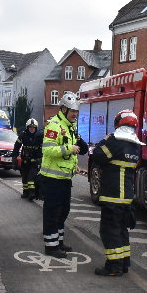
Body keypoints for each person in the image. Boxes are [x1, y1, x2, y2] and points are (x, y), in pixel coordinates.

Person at [91, 110, 144, 276]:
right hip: (126, 198)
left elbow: (98, 156)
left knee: (109, 231)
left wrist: (103, 140)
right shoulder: (135, 146)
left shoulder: (114, 142)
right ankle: (124, 263)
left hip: (112, 196)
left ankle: (113, 266)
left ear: (119, 124)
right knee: (121, 231)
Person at [39, 92, 88, 258]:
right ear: (63, 109)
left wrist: (75, 166)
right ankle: (50, 246)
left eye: (76, 111)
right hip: (52, 179)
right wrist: (69, 149)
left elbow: (74, 151)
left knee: (63, 211)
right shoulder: (54, 125)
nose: (75, 114)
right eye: (72, 110)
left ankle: (58, 242)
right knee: (52, 213)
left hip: (65, 178)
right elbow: (47, 149)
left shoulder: (70, 126)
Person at [13, 118, 43, 200]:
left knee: (31, 178)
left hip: (34, 162)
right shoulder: (23, 135)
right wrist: (14, 158)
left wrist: (41, 159)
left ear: (36, 128)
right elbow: (16, 146)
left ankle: (32, 193)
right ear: (27, 127)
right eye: (30, 127)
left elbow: (46, 147)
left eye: (33, 127)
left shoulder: (40, 136)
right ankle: (25, 193)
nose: (32, 129)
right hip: (25, 161)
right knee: (24, 178)